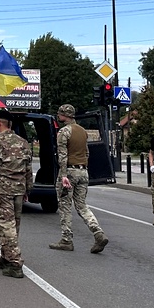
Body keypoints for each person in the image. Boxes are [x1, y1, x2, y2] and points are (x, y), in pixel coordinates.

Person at [0, 109, 32, 279]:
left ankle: (15, 264)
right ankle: (6, 257)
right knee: (13, 226)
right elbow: (28, 169)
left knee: (5, 227)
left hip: (2, 191)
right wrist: (27, 190)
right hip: (18, 190)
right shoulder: (23, 142)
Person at [49, 104, 108, 254]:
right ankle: (98, 232)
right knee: (82, 205)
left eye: (60, 113)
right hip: (83, 171)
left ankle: (66, 239)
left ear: (64, 115)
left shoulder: (64, 132)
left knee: (65, 205)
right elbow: (87, 153)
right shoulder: (83, 131)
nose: (58, 115)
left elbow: (62, 155)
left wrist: (63, 175)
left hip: (69, 171)